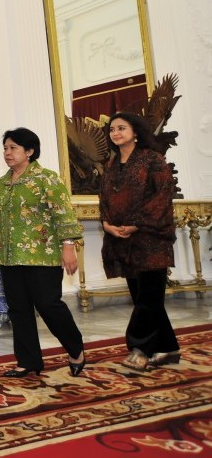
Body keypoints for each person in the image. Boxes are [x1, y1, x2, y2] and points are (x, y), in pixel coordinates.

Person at [0, 128, 86, 378]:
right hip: (10, 257)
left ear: (29, 151)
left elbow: (64, 214)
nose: (7, 153)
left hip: (42, 255)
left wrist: (69, 248)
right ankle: (28, 361)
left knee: (49, 305)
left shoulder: (46, 179)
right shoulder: (3, 184)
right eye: (5, 148)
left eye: (13, 148)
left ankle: (76, 349)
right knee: (18, 309)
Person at [99, 112, 179, 370]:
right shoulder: (111, 165)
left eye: (121, 128)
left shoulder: (153, 160)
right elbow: (105, 200)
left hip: (151, 239)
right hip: (123, 241)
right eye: (112, 130)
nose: (116, 133)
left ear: (136, 132)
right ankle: (168, 349)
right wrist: (107, 225)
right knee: (143, 298)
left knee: (148, 299)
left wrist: (137, 223)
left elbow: (163, 195)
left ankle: (140, 348)